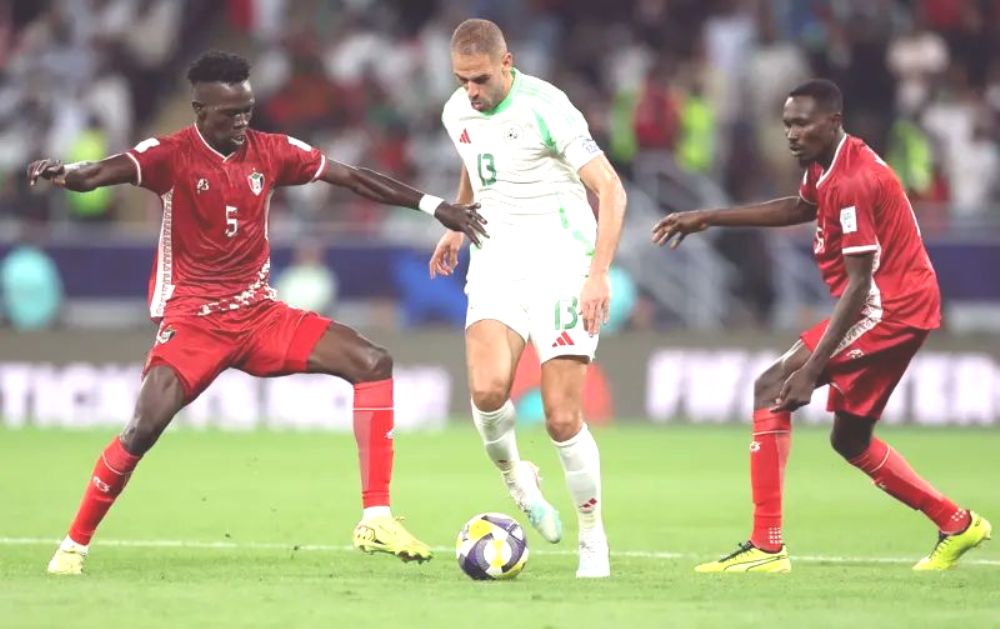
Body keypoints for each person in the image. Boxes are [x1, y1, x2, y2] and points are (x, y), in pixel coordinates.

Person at [28, 50, 488, 575]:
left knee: (373, 362)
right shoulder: (170, 155)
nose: (242, 121)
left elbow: (353, 177)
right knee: (142, 428)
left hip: (259, 314)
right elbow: (99, 172)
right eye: (230, 113)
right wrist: (65, 173)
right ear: (200, 110)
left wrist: (434, 206)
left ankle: (376, 517)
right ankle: (74, 545)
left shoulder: (271, 151)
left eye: (247, 109)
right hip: (195, 321)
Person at [653, 79, 991, 573]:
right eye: (787, 124)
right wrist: (710, 217)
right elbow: (801, 207)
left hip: (889, 307)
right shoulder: (828, 163)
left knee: (772, 384)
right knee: (849, 440)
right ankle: (957, 523)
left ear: (833, 122)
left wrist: (811, 370)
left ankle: (767, 547)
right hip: (901, 303)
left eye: (802, 124)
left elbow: (859, 285)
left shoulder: (853, 181)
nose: (792, 134)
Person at [428, 19, 627, 578]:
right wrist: (458, 221)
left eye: (481, 79)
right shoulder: (456, 111)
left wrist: (598, 274)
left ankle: (592, 534)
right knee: (487, 390)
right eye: (462, 79)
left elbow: (611, 189)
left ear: (507, 63)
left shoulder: (548, 108)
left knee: (562, 418)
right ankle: (518, 477)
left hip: (563, 267)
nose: (472, 91)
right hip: (496, 261)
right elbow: (475, 161)